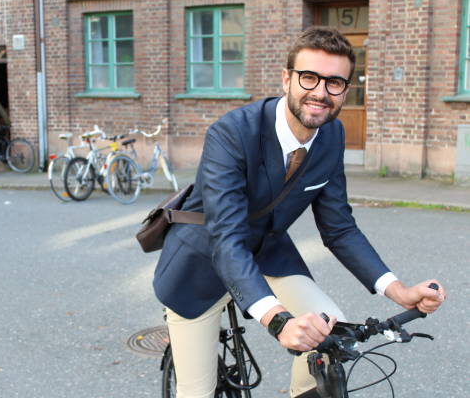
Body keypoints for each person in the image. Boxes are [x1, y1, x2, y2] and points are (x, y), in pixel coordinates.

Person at [152, 26, 446, 398]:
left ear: (346, 89)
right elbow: (226, 238)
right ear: (287, 78)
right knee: (197, 391)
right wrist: (278, 321)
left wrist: (399, 290)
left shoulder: (332, 135)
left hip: (267, 254)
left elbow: (339, 228)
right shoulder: (231, 133)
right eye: (309, 78)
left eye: (335, 82)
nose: (321, 93)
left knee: (327, 331)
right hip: (202, 259)